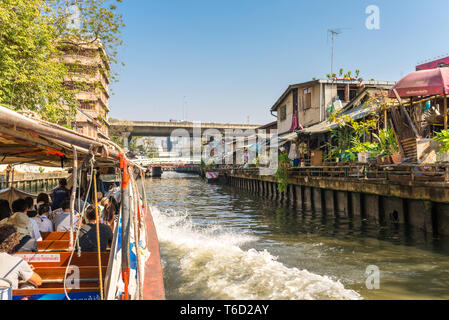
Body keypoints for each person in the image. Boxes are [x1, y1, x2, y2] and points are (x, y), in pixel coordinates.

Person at [0, 224, 42, 290]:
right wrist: (26, 269)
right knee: (30, 285)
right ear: (13, 242)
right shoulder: (17, 262)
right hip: (7, 296)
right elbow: (38, 281)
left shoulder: (18, 263)